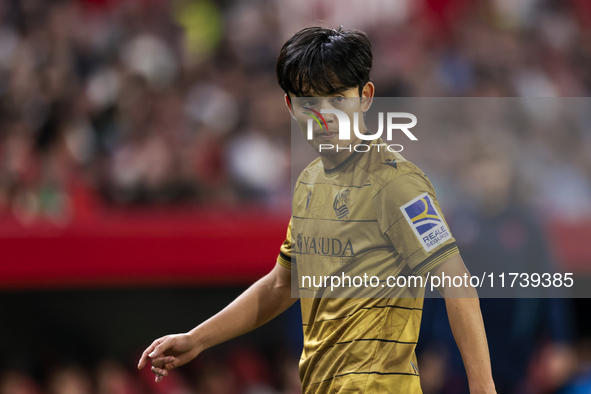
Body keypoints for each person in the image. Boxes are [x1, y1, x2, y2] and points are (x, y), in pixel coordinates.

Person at [138, 26, 497, 394]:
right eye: (309, 101)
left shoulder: (397, 184)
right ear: (291, 106)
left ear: (366, 97)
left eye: (338, 99)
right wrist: (198, 339)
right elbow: (282, 284)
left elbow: (458, 284)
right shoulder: (309, 182)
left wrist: (483, 389)